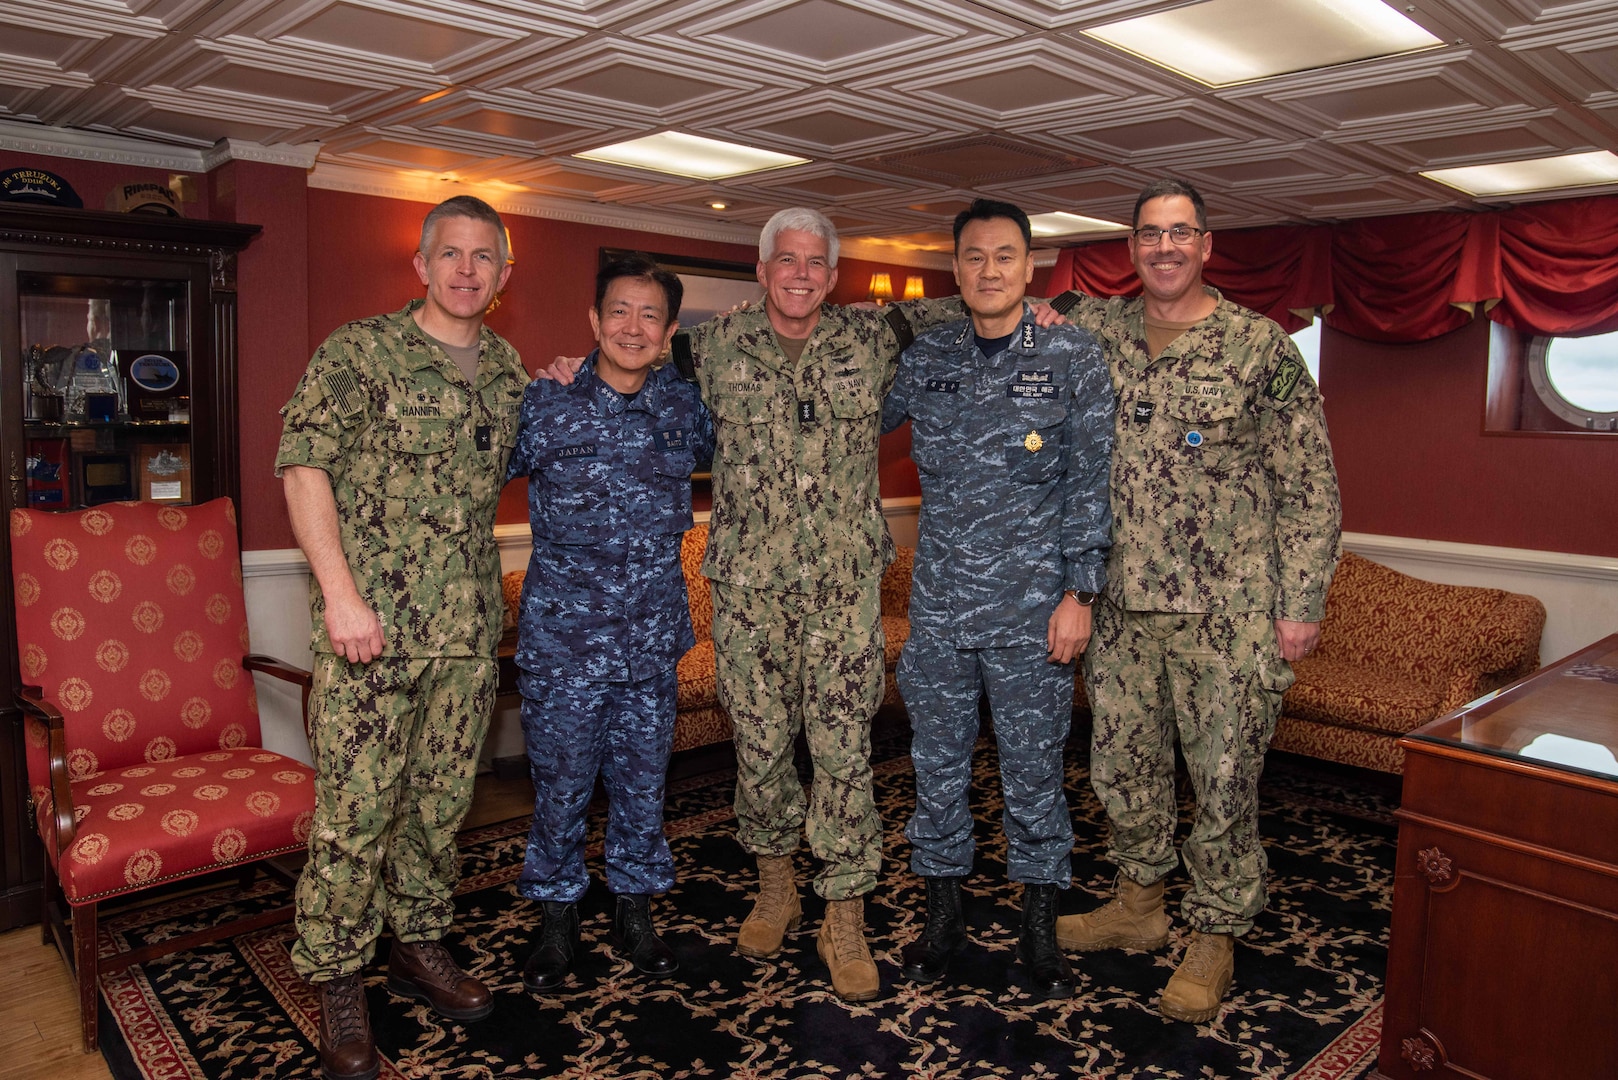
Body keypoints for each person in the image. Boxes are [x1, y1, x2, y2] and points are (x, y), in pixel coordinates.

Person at [1048, 179, 1342, 1022]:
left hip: (1230, 613)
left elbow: (1310, 485)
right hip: (1122, 611)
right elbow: (1010, 320)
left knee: (1222, 780)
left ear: (1207, 244)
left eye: (1181, 233)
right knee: (1123, 767)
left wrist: (1302, 603)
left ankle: (1215, 931)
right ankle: (1138, 905)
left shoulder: (1259, 349)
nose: (1164, 248)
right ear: (1131, 247)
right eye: (1149, 234)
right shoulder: (1096, 329)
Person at [277, 195, 527, 1080]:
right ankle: (339, 975)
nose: (466, 269)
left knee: (437, 810)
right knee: (356, 815)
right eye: (450, 254)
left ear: (502, 274)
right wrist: (339, 596)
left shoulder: (506, 370)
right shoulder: (358, 352)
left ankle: (419, 943)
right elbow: (303, 468)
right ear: (420, 265)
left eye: (483, 257)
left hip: (464, 635)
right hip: (370, 636)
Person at [881, 199, 1114, 1000]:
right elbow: (843, 406)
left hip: (1032, 614)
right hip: (941, 609)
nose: (989, 270)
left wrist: (1082, 592)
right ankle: (942, 920)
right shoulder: (926, 355)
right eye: (974, 257)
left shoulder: (1071, 353)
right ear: (955, 270)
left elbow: (1090, 481)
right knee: (936, 771)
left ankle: (1039, 931)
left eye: (1005, 256)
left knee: (1034, 774)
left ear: (1030, 266)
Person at [508, 255, 714, 993]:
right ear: (594, 322)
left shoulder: (687, 409)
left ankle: (635, 911)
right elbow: (460, 483)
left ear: (666, 333)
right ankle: (557, 923)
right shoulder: (542, 403)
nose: (633, 327)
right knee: (560, 790)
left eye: (650, 315)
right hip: (564, 645)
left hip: (651, 644)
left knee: (641, 789)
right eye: (619, 312)